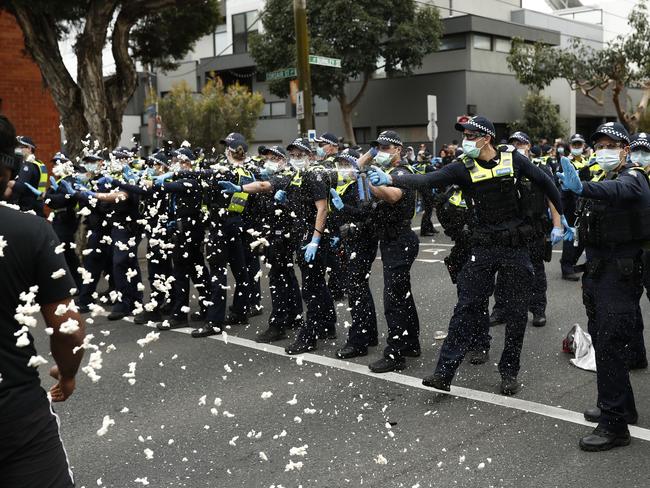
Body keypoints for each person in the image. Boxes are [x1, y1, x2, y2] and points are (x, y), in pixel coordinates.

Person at [369, 116, 565, 394]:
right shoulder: (463, 166)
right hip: (482, 246)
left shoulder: (514, 161)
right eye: (465, 135)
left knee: (516, 311)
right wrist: (390, 177)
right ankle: (443, 373)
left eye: (472, 135)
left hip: (515, 247)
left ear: (487, 138)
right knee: (466, 308)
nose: (467, 140)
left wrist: (563, 216)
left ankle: (509, 372)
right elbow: (428, 179)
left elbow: (546, 183)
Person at [0, 114, 85, 488]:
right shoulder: (30, 231)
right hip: (13, 412)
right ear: (8, 170)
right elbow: (67, 326)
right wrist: (66, 374)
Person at [557, 122, 650, 451]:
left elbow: (623, 192)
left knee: (610, 347)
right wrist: (571, 224)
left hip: (620, 275)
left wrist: (583, 189)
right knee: (604, 343)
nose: (604, 150)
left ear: (625, 148)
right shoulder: (604, 177)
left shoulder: (634, 176)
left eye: (612, 144)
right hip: (599, 273)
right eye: (600, 144)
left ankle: (614, 426)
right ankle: (621, 406)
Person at [219, 137, 336, 354]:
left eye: (300, 154)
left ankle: (309, 334)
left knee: (311, 287)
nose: (296, 158)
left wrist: (315, 239)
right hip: (298, 236)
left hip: (311, 238)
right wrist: (240, 187)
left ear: (310, 155)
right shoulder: (293, 176)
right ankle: (324, 325)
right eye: (293, 155)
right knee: (312, 285)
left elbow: (322, 209)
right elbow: (265, 185)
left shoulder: (315, 174)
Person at [337, 130, 421, 373]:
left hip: (400, 240)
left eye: (386, 148)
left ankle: (395, 354)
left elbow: (393, 196)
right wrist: (370, 156)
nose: (380, 153)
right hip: (390, 241)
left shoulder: (401, 173)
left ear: (398, 150)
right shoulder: (381, 170)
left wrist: (372, 183)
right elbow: (354, 170)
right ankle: (410, 342)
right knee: (402, 295)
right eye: (378, 148)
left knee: (393, 299)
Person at [560, 133, 591, 281]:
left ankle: (571, 263)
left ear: (584, 146)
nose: (577, 147)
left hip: (585, 202)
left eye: (580, 144)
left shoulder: (588, 162)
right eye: (575, 144)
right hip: (570, 202)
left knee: (583, 236)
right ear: (570, 146)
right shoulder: (565, 162)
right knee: (571, 236)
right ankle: (566, 267)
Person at [11, 135, 48, 216]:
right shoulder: (39, 164)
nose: (17, 149)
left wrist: (9, 183)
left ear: (29, 149)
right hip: (37, 207)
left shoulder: (28, 166)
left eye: (20, 147)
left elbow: (20, 187)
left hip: (27, 209)